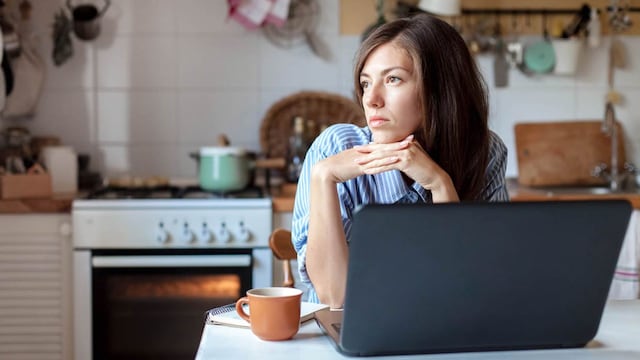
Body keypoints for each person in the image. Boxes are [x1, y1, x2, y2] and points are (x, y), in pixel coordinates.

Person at [291, 14, 509, 308]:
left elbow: (471, 281)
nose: (371, 99)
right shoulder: (335, 147)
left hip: (440, 334)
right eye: (366, 83)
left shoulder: (485, 151)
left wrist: (439, 184)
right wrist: (323, 176)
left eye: (393, 79)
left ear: (440, 89)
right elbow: (335, 296)